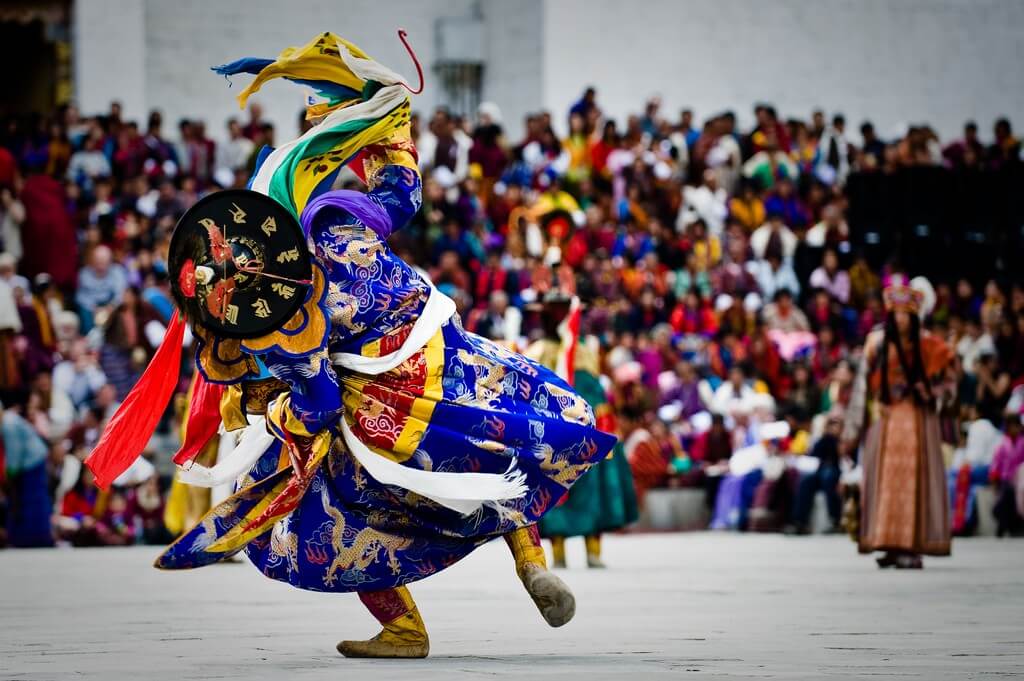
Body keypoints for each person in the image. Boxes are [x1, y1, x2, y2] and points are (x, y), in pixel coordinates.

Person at [86, 32, 615, 660]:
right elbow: (401, 192)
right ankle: (530, 561)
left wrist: (274, 413)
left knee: (331, 509)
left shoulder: (282, 318)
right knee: (494, 445)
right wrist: (389, 129)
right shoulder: (342, 219)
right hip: (446, 363)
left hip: (382, 411)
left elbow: (318, 401)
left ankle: (404, 627)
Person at [842, 274, 954, 568]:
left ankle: (911, 546)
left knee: (911, 483)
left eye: (907, 314)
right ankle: (888, 543)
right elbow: (862, 388)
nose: (902, 319)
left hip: (915, 421)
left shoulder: (929, 346)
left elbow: (949, 383)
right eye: (898, 313)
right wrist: (852, 429)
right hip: (885, 420)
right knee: (885, 485)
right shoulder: (877, 343)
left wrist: (929, 391)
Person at [525, 294, 638, 569]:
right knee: (555, 489)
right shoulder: (538, 350)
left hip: (592, 427)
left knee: (594, 488)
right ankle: (559, 551)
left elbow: (596, 390)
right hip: (554, 430)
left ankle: (593, 550)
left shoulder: (587, 349)